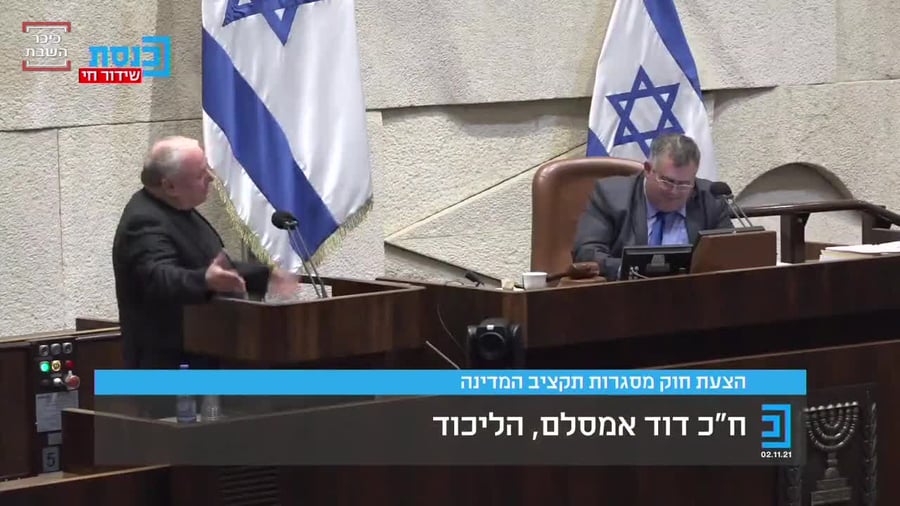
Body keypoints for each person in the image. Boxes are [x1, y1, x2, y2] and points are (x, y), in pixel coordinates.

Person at [112, 136, 298, 369]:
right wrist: (205, 280)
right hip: (167, 369)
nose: (210, 177)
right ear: (170, 186)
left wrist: (266, 275)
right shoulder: (144, 221)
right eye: (200, 174)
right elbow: (160, 277)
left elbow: (210, 266)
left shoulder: (176, 209)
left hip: (206, 358)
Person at [571, 133, 733, 279]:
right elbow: (587, 252)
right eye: (667, 181)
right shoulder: (611, 196)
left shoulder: (712, 198)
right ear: (648, 170)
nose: (674, 191)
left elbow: (729, 254)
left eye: (684, 184)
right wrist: (629, 269)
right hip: (628, 293)